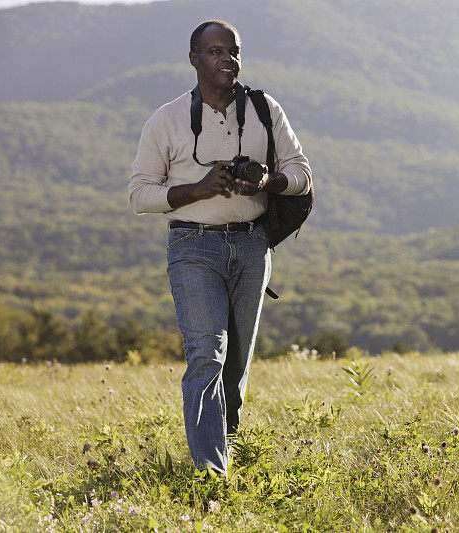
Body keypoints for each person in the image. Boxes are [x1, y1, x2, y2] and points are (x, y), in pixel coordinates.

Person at [128, 20, 311, 473]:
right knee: (207, 355)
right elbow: (138, 195)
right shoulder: (166, 119)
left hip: (253, 248)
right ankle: (213, 474)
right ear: (194, 59)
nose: (228, 58)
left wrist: (270, 180)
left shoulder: (265, 109)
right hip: (192, 247)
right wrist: (198, 189)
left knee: (236, 365)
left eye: (234, 50)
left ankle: (227, 444)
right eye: (215, 51)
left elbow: (303, 175)